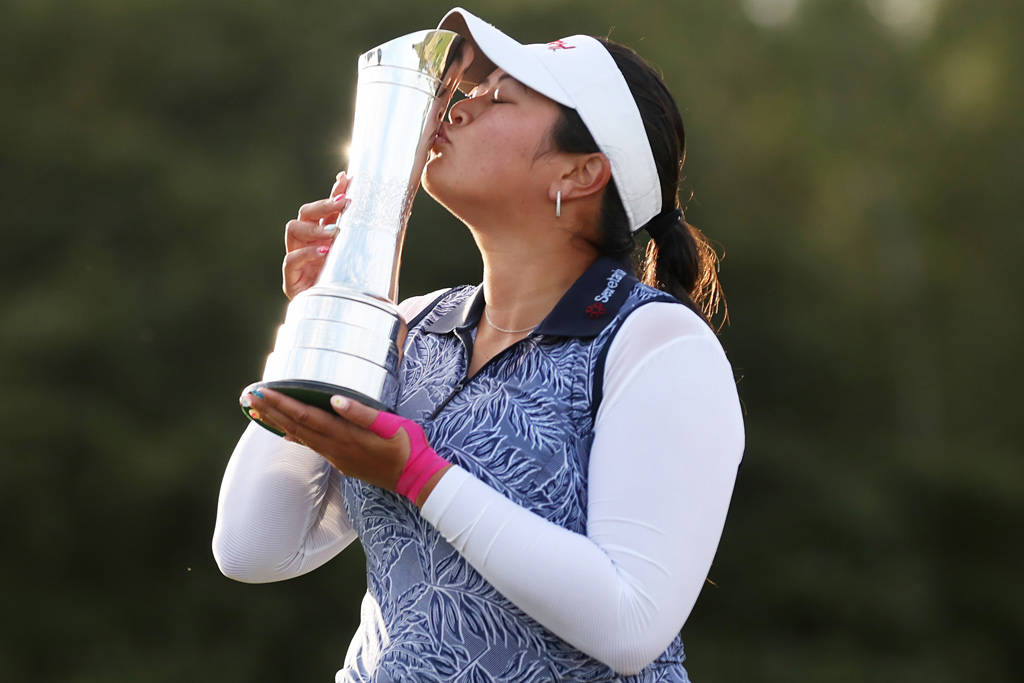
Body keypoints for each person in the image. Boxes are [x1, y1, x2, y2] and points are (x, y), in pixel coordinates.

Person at [213, 7, 744, 682]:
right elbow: (252, 547)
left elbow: (631, 620)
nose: (457, 109)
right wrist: (324, 307)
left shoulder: (658, 343)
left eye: (500, 99)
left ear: (580, 174)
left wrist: (419, 475)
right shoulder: (411, 327)